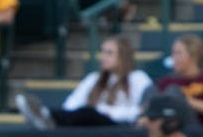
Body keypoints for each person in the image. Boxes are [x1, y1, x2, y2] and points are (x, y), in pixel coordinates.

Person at [15, 36, 151, 129]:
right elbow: (71, 105)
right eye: (102, 52)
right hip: (90, 123)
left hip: (118, 125)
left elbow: (140, 111)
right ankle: (45, 116)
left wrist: (108, 112)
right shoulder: (93, 78)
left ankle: (45, 115)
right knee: (86, 112)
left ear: (123, 55)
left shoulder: (138, 78)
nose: (102, 56)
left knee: (89, 112)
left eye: (109, 53)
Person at [156, 34, 203, 125]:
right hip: (171, 130)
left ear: (193, 56)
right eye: (173, 53)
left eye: (178, 53)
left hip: (200, 132)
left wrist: (183, 101)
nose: (173, 58)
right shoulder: (166, 81)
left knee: (173, 92)